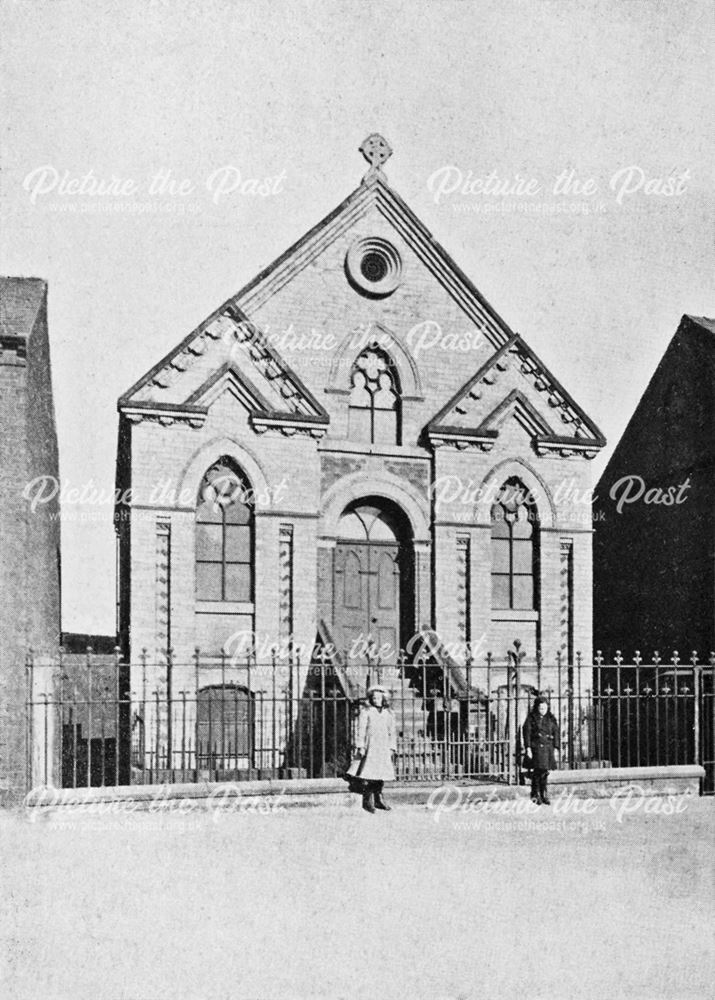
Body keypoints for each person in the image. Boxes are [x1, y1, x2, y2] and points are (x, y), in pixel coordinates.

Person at [346, 684, 397, 813]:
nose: (376, 700)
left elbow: (392, 731)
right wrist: (361, 746)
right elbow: (361, 730)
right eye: (373, 698)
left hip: (383, 747)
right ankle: (367, 801)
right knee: (369, 774)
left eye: (378, 698)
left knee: (380, 774)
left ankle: (379, 799)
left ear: (384, 699)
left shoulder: (388, 713)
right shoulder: (367, 712)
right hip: (371, 746)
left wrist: (392, 747)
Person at [522, 695, 560, 805]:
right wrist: (528, 748)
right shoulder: (531, 718)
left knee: (545, 772)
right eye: (541, 708)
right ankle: (535, 794)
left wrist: (556, 748)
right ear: (537, 708)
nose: (543, 710)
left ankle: (544, 794)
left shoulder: (551, 718)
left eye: (545, 708)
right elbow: (527, 733)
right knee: (538, 771)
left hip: (548, 748)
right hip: (536, 748)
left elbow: (556, 733)